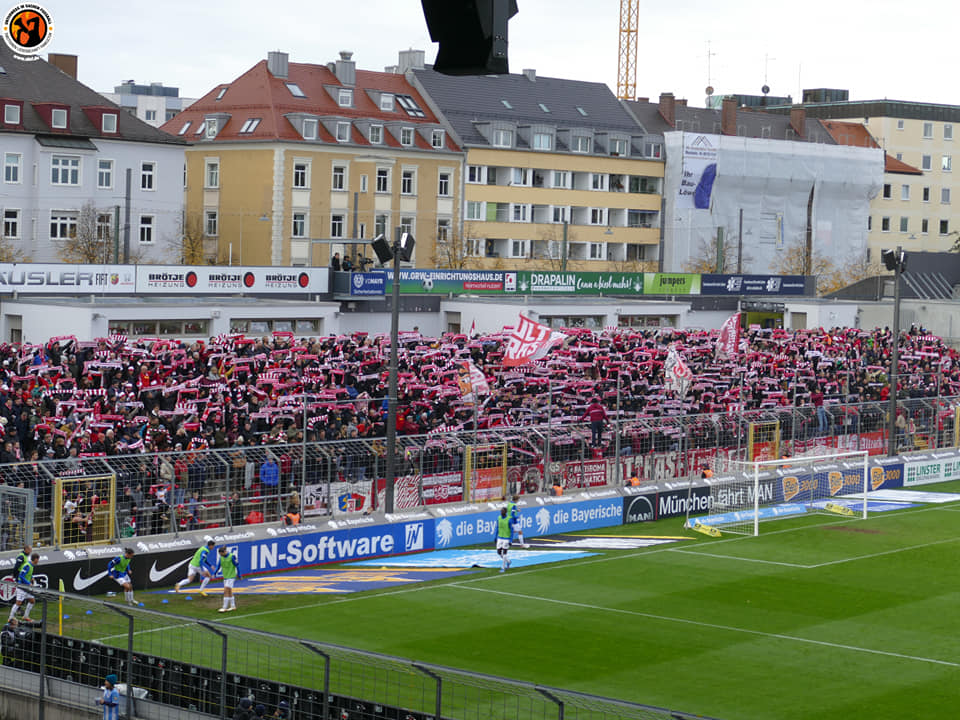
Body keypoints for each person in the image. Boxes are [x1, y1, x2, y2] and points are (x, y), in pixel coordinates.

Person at [7, 552, 38, 623]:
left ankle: (25, 616)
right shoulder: (27, 565)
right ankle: (10, 618)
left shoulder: (31, 565)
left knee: (32, 601)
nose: (38, 561)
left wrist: (32, 577)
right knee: (18, 603)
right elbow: (21, 576)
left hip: (26, 587)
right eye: (38, 560)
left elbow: (27, 573)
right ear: (35, 559)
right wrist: (28, 583)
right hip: (22, 587)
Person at [216, 545, 241, 613]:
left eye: (221, 554)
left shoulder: (232, 556)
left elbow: (237, 565)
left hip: (231, 576)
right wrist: (214, 573)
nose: (221, 555)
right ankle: (233, 606)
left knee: (226, 591)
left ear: (224, 552)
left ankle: (224, 607)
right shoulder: (221, 558)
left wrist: (239, 574)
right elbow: (218, 566)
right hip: (226, 577)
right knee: (229, 591)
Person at [494, 507, 512, 573]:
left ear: (505, 512)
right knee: (499, 552)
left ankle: (503, 567)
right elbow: (497, 527)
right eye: (501, 511)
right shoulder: (499, 518)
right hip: (500, 537)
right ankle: (508, 561)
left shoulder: (509, 519)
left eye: (502, 511)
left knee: (504, 552)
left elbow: (511, 530)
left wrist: (510, 540)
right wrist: (495, 537)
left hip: (506, 538)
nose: (501, 512)